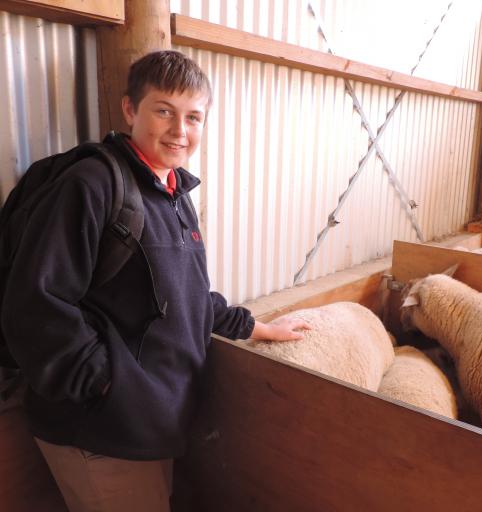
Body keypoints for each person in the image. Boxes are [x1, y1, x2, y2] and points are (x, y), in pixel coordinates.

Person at [1, 50, 309, 512]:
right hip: (102, 431)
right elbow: (34, 305)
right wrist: (108, 386)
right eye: (163, 111)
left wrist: (256, 328)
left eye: (193, 117)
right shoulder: (92, 185)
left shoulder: (174, 193)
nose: (179, 131)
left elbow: (186, 295)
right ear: (130, 109)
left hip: (149, 421)